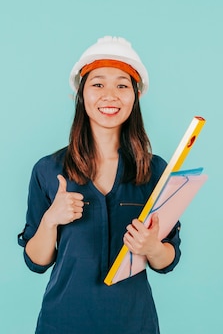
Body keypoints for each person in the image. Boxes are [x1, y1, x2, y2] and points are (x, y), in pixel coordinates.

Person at [17, 36, 182, 334]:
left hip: (134, 324)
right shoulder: (49, 170)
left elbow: (168, 259)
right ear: (80, 94)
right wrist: (50, 220)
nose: (110, 95)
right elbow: (36, 261)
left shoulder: (155, 170)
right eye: (97, 84)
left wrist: (151, 246)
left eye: (122, 85)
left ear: (136, 95)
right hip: (62, 322)